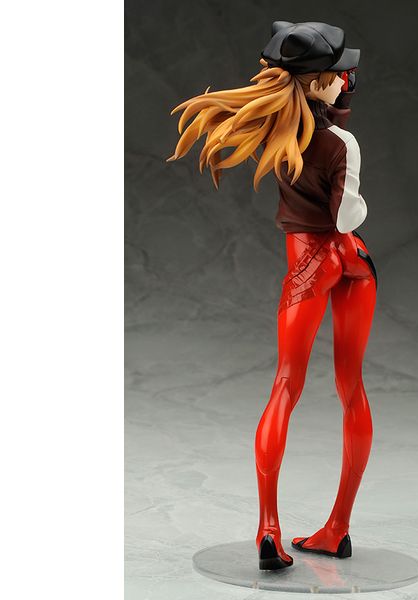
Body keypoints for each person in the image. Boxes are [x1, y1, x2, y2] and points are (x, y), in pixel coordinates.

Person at [168, 21, 378, 571]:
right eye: (339, 74)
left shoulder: (275, 131)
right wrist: (350, 175)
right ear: (318, 83)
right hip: (349, 258)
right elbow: (346, 216)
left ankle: (268, 528)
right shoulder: (342, 144)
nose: (347, 80)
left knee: (285, 386)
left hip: (305, 261)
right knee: (351, 388)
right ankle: (338, 528)